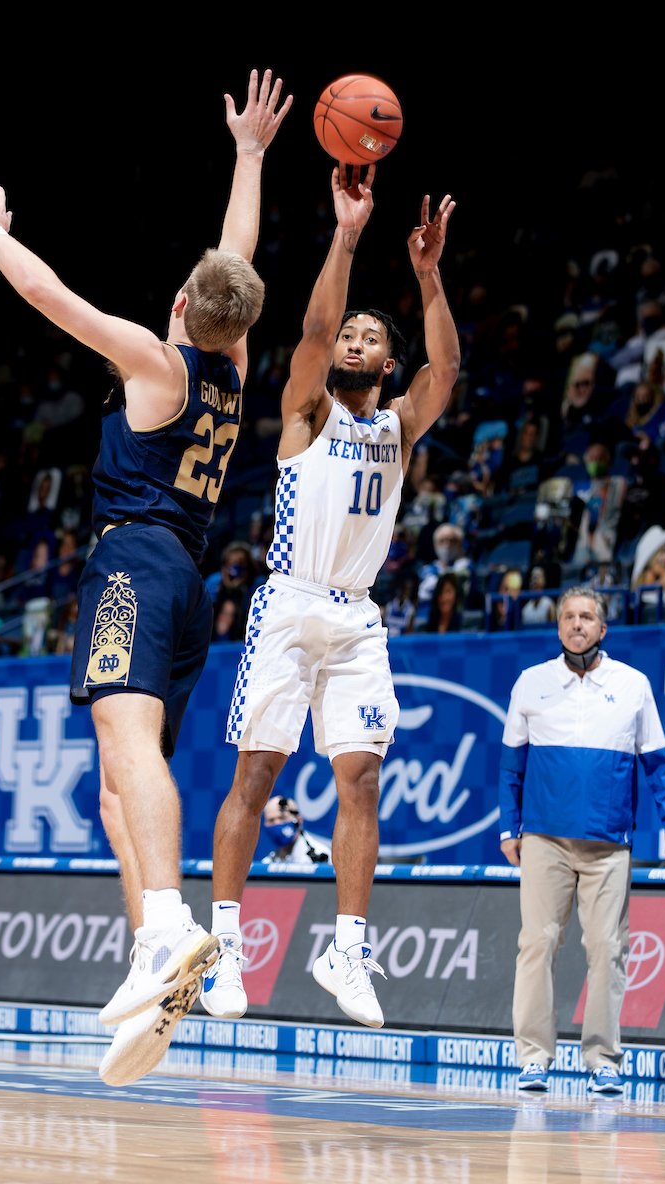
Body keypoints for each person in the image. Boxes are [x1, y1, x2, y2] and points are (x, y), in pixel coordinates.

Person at [0, 69, 291, 1087]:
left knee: (121, 739)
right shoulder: (233, 364)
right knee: (119, 778)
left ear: (187, 306)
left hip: (138, 559)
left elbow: (47, 295)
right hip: (191, 578)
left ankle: (165, 923)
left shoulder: (158, 364)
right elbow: (234, 259)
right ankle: (152, 956)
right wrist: (247, 156)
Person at [205, 164, 460, 1029]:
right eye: (348, 333)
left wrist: (427, 277)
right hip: (287, 602)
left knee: (362, 779)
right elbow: (313, 324)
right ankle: (225, 946)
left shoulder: (397, 423)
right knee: (258, 773)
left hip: (356, 615)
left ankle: (347, 950)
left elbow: (448, 365)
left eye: (366, 337)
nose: (350, 339)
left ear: (387, 363)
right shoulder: (308, 413)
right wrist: (347, 237)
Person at [499, 587, 665, 1094]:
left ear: (603, 630)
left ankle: (603, 1058)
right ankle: (534, 1058)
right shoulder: (531, 683)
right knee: (536, 944)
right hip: (543, 840)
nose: (576, 624)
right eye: (568, 617)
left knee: (606, 949)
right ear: (558, 627)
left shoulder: (633, 685)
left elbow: (658, 764)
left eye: (586, 617)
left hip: (609, 845)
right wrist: (507, 826)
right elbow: (511, 766)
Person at [259, 795, 332, 865]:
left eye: (282, 818)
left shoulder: (320, 857)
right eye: (271, 820)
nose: (277, 824)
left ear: (298, 820)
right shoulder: (267, 863)